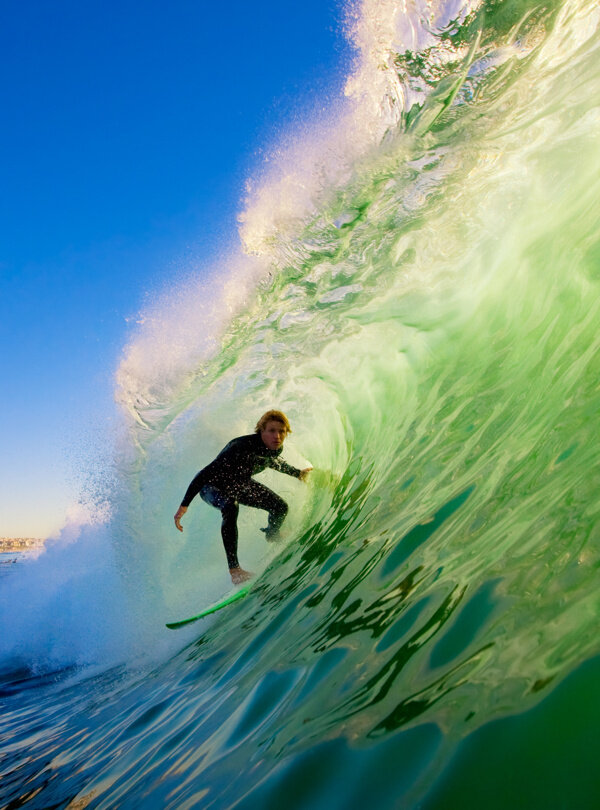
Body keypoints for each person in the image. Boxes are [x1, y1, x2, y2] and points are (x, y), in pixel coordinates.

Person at [174, 410, 312, 584]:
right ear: (261, 431)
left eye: (282, 431)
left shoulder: (274, 448)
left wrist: (298, 473)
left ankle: (272, 534)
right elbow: (204, 474)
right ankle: (235, 571)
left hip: (239, 484)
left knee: (280, 507)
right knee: (231, 506)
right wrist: (184, 505)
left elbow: (271, 462)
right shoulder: (240, 447)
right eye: (271, 430)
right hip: (211, 486)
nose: (277, 436)